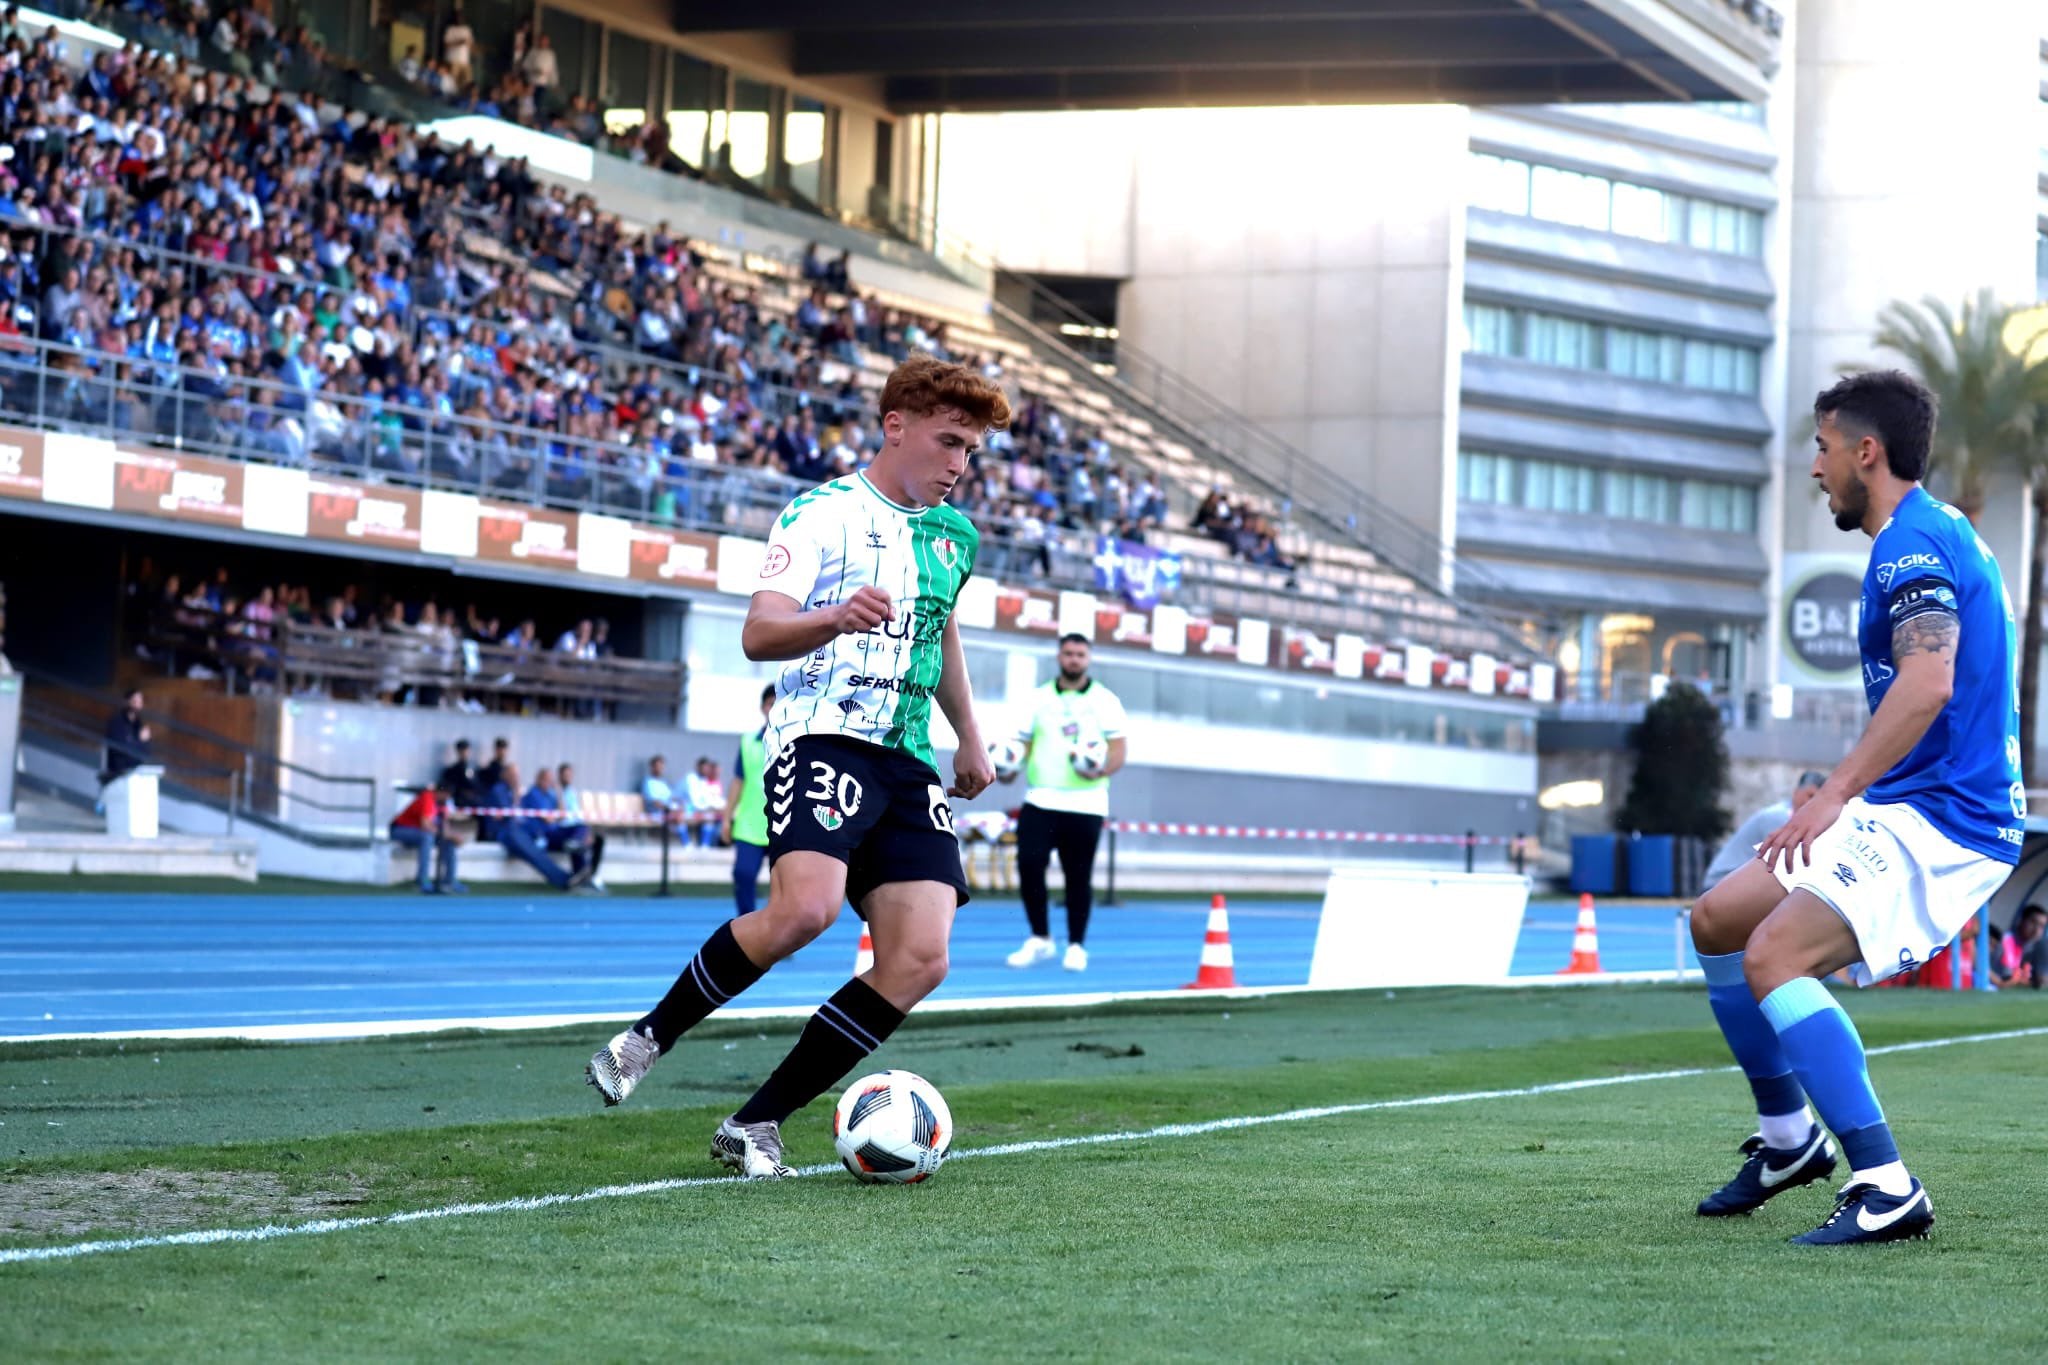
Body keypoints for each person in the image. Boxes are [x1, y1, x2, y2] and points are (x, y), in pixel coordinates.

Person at [586, 354, 1005, 1178]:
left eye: (972, 451)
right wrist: (834, 616)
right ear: (896, 426)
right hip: (822, 736)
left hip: (908, 759)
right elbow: (760, 633)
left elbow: (940, 628)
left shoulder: (957, 536)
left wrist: (970, 734)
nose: (960, 465)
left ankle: (756, 1122)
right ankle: (646, 1038)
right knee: (804, 912)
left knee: (921, 958)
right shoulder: (821, 515)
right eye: (950, 441)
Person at [1688, 371, 2022, 1245]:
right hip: (1905, 804)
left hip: (1950, 823)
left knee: (1774, 956)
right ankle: (1792, 1141)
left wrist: (1838, 792)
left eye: (1824, 447)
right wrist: (1848, 788)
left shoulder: (1911, 546)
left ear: (1865, 452)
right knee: (1718, 919)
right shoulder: (1926, 536)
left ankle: (1886, 1183)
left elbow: (1929, 680)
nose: (1815, 467)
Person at [1002, 634, 1128, 972]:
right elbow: (1022, 744)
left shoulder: (1105, 700)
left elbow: (1118, 749)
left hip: (1086, 803)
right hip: (1040, 798)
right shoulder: (1038, 698)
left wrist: (1101, 769)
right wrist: (1008, 769)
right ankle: (1040, 938)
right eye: (1069, 653)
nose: (1074, 659)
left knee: (1078, 875)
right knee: (1029, 864)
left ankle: (1076, 945)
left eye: (1080, 654)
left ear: (1088, 659)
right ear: (1059, 656)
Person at [1703, 772, 1828, 890]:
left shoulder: (1791, 819)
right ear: (1796, 792)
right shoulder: (1779, 817)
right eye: (1810, 795)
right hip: (1720, 882)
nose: (1811, 803)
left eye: (1816, 800)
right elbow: (1783, 868)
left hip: (1738, 882)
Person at [480, 761, 587, 891]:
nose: (516, 778)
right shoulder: (499, 790)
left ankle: (578, 875)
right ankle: (564, 880)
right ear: (504, 775)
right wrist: (515, 792)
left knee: (577, 831)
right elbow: (510, 814)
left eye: (517, 775)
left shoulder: (514, 791)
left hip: (520, 830)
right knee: (532, 851)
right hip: (505, 832)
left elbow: (518, 812)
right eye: (513, 774)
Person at [720, 685, 776, 916]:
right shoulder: (747, 742)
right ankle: (748, 929)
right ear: (763, 707)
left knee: (786, 886)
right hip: (749, 825)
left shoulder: (799, 741)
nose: (775, 709)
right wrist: (726, 819)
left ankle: (781, 935)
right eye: (771, 704)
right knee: (743, 874)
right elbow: (738, 782)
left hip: (784, 826)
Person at [522, 766, 605, 888]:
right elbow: (550, 818)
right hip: (545, 834)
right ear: (539, 780)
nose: (549, 783)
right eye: (547, 780)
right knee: (578, 836)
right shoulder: (534, 794)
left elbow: (561, 813)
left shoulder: (552, 795)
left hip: (560, 830)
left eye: (550, 780)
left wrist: (558, 794)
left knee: (585, 835)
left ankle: (585, 874)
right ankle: (583, 871)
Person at [390, 782, 463, 894]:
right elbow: (425, 825)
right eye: (447, 795)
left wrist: (452, 836)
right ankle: (422, 880)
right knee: (427, 837)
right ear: (441, 792)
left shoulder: (443, 803)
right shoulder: (427, 797)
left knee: (448, 842)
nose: (448, 798)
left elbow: (445, 825)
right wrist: (447, 834)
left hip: (419, 832)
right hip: (400, 829)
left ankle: (450, 880)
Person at [104, 689, 152, 782]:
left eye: (140, 702)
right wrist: (140, 741)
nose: (137, 705)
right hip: (118, 773)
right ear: (127, 702)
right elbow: (120, 750)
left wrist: (143, 742)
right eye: (135, 701)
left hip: (135, 771)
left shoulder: (139, 725)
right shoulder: (117, 722)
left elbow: (145, 752)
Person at [1993, 904, 2047, 988]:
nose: (2036, 929)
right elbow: (2007, 978)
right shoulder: (2006, 941)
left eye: (2041, 926)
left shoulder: (2036, 947)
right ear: (2021, 920)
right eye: (2033, 922)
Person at [685, 757, 725, 847]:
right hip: (689, 809)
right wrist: (710, 808)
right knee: (709, 818)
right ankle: (700, 845)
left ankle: (707, 845)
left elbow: (708, 799)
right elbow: (695, 800)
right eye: (704, 768)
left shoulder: (704, 780)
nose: (706, 770)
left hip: (702, 809)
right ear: (698, 767)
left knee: (713, 818)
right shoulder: (691, 778)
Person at [436, 739, 480, 810]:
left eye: (466, 750)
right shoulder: (452, 771)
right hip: (459, 802)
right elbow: (449, 788)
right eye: (461, 750)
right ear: (458, 751)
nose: (464, 753)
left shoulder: (474, 768)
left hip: (473, 804)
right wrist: (462, 792)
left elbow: (478, 785)